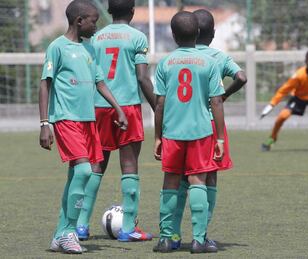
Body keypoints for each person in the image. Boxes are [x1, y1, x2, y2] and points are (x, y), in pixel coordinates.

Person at [39, 0, 127, 254]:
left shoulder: (89, 49)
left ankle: (59, 235)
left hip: (88, 121)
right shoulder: (57, 47)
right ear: (79, 21)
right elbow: (45, 84)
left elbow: (100, 82)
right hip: (66, 119)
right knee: (85, 172)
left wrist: (118, 108)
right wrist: (45, 123)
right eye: (93, 21)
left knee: (74, 177)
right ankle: (69, 231)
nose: (96, 27)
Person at [75, 0, 154, 242]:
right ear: (133, 11)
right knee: (129, 166)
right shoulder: (137, 37)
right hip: (127, 108)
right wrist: (157, 106)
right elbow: (142, 78)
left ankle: (80, 225)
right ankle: (128, 228)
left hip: (99, 107)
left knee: (97, 166)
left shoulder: (95, 38)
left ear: (108, 12)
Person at [169, 8, 247, 251]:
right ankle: (201, 234)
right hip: (210, 123)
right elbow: (242, 77)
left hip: (181, 122)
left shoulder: (178, 56)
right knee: (207, 177)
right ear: (212, 34)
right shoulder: (218, 57)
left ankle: (171, 234)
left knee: (180, 177)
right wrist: (223, 96)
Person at [151, 11, 225, 254]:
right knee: (197, 181)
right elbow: (216, 103)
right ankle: (199, 240)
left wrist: (158, 137)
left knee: (171, 182)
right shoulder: (210, 63)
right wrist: (221, 138)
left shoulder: (165, 63)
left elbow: (159, 104)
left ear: (173, 35)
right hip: (201, 132)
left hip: (172, 132)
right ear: (198, 34)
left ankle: (165, 239)